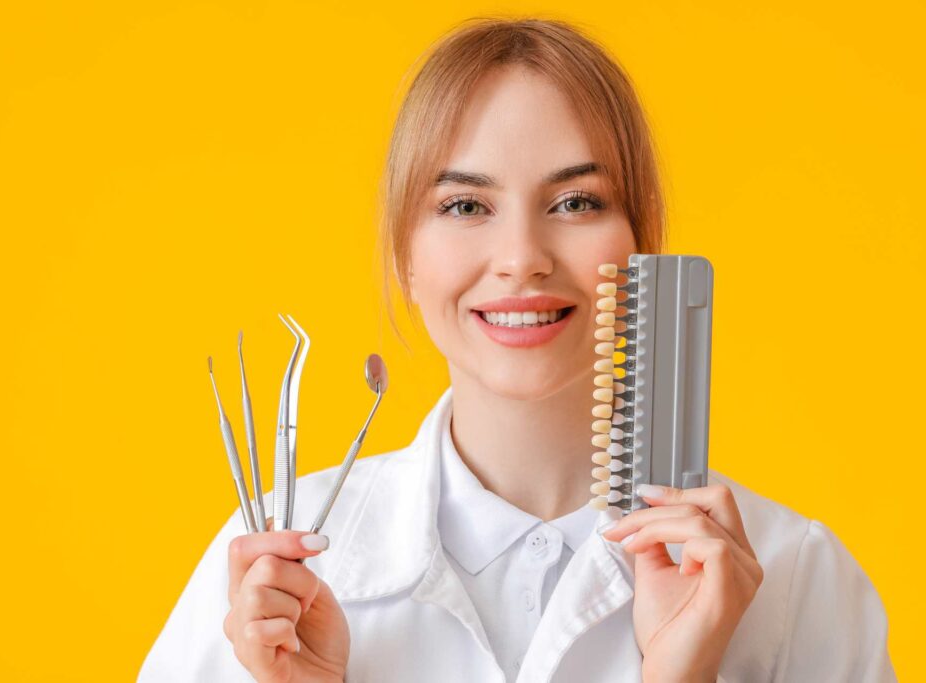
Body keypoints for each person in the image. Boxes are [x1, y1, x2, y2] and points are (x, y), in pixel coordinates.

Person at [138, 17, 896, 683]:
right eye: (465, 204)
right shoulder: (267, 574)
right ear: (404, 255)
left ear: (642, 244)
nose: (521, 256)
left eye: (575, 202)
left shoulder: (798, 579)